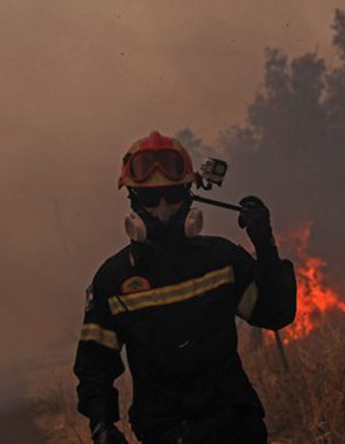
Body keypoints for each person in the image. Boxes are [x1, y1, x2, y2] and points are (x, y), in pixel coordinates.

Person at [73, 131, 296, 444]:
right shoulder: (114, 280)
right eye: (150, 198)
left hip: (235, 425)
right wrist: (102, 426)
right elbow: (95, 363)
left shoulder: (222, 259)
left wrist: (265, 245)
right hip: (165, 432)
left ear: (189, 195)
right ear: (134, 201)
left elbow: (275, 314)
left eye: (172, 194)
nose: (162, 208)